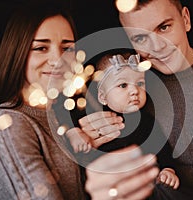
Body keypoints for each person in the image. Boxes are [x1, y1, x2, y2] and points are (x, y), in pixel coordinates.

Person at [79, 0, 193, 199]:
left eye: (164, 27)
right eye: (141, 38)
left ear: (185, 19)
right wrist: (84, 141)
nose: (157, 46)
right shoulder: (125, 82)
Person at [0, 1, 159, 200]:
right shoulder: (9, 126)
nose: (58, 59)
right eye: (40, 48)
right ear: (17, 52)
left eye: (67, 48)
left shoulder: (62, 117)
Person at [69, 50, 180, 189]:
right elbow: (72, 116)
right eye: (123, 85)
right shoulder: (93, 116)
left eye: (140, 84)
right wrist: (74, 133)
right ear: (102, 97)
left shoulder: (147, 122)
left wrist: (167, 169)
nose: (135, 91)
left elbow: (161, 148)